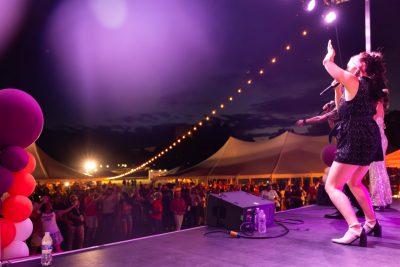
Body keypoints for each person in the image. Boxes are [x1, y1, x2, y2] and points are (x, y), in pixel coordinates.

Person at [322, 40, 385, 246]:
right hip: (369, 138)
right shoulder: (367, 87)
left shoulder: (352, 80)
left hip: (355, 137)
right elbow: (342, 112)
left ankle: (355, 228)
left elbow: (327, 64)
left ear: (362, 67)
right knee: (354, 182)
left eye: (356, 57)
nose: (352, 57)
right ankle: (371, 222)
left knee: (332, 186)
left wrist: (330, 55)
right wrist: (337, 88)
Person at [369, 89, 393, 210]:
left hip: (376, 138)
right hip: (381, 138)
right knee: (381, 168)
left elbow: (372, 122)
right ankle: (386, 198)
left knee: (375, 169)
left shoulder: (376, 105)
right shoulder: (380, 106)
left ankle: (378, 201)